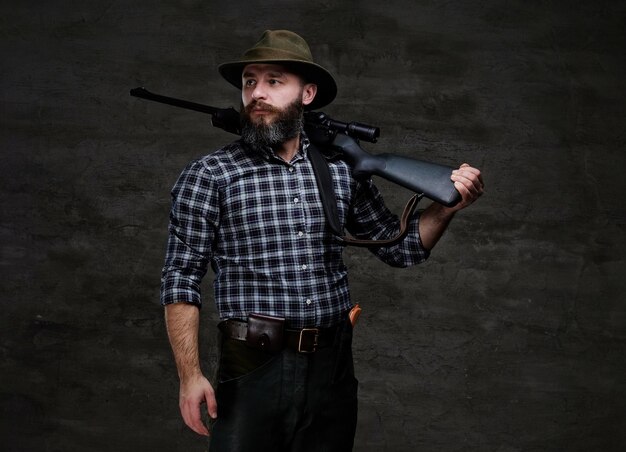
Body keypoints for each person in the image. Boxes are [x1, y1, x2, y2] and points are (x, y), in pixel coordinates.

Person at [161, 29, 484, 452]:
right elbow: (180, 279)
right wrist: (190, 376)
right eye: (250, 82)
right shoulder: (210, 174)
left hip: (331, 367)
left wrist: (446, 208)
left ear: (307, 93)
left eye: (274, 81)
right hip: (253, 365)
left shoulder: (339, 169)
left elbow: (400, 249)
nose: (257, 93)